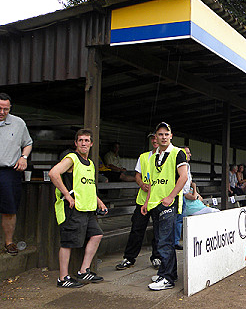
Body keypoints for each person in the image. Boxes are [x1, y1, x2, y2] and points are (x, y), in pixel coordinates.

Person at [49, 129, 107, 288]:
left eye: (87, 140)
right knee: (67, 243)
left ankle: (83, 270)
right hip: (73, 209)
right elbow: (53, 173)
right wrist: (67, 195)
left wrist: (99, 201)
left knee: (97, 235)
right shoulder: (72, 159)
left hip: (87, 209)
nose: (83, 143)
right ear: (76, 143)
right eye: (80, 140)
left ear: (91, 144)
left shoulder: (91, 164)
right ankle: (63, 278)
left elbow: (87, 186)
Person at [142, 122, 188, 291]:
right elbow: (152, 182)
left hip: (169, 202)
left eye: (166, 134)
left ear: (171, 135)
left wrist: (171, 197)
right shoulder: (154, 156)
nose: (163, 137)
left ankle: (167, 278)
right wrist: (147, 202)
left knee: (164, 241)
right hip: (155, 203)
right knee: (161, 240)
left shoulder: (178, 153)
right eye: (160, 134)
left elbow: (183, 177)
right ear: (156, 137)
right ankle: (168, 272)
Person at [116, 134, 161, 271]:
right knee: (136, 229)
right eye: (152, 139)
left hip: (159, 200)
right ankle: (129, 258)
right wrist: (141, 184)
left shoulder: (169, 156)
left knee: (158, 231)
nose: (154, 141)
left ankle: (157, 257)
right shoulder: (143, 156)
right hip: (143, 200)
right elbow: (137, 175)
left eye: (157, 138)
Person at [0, 93, 33, 256]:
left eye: (6, 109)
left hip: (9, 171)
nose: (2, 112)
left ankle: (9, 242)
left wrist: (24, 157)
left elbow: (28, 143)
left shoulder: (18, 123)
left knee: (9, 208)